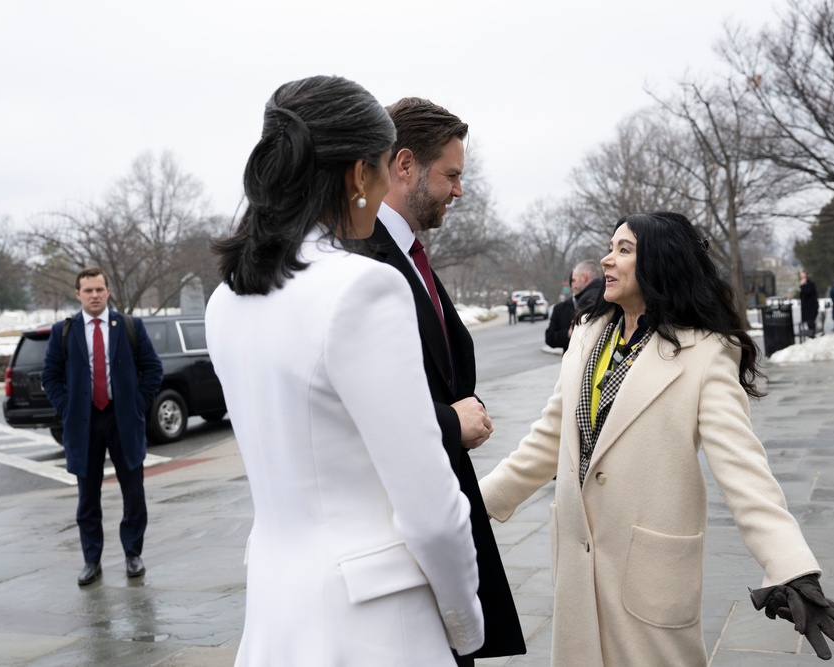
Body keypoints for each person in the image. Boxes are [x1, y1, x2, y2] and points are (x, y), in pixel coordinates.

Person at [480, 212, 834, 666]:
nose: (608, 259)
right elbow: (548, 440)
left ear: (660, 264)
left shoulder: (706, 351)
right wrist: (473, 504)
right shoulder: (586, 336)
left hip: (650, 575)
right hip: (578, 569)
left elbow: (743, 468)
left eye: (624, 250)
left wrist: (791, 566)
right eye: (610, 247)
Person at [205, 77, 484, 666]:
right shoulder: (365, 288)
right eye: (383, 166)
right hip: (375, 627)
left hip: (277, 616)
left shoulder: (226, 299)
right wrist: (464, 621)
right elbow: (431, 510)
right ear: (360, 174)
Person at [355, 97, 525, 666]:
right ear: (404, 166)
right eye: (451, 175)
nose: (458, 190)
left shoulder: (408, 255)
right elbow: (364, 414)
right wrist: (452, 420)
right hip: (404, 541)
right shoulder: (365, 262)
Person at [41, 267, 163, 586]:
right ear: (78, 294)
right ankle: (91, 560)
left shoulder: (129, 327)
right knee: (87, 498)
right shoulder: (63, 331)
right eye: (88, 290)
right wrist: (67, 408)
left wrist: (136, 403)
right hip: (84, 423)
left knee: (133, 493)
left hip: (123, 419)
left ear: (108, 291)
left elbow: (152, 369)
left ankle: (133, 553)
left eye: (99, 289)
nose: (94, 295)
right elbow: (50, 376)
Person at [545, 259, 603, 352]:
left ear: (584, 277)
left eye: (575, 280)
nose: (574, 285)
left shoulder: (593, 297)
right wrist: (567, 334)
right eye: (572, 281)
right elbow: (550, 338)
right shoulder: (560, 308)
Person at [799, 271, 820, 338]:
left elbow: (808, 292)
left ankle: (812, 334)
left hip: (811, 307)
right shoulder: (804, 285)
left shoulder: (810, 284)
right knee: (808, 322)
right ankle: (811, 334)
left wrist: (802, 286)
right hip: (806, 307)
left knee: (811, 322)